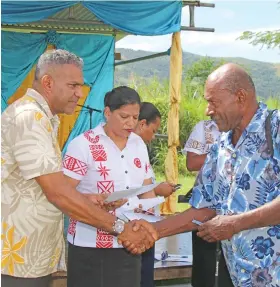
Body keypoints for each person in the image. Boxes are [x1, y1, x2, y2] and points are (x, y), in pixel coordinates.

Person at [1, 50, 156, 287]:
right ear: (48, 83)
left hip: (30, 254)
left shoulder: (44, 119)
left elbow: (44, 186)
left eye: (81, 86)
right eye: (73, 85)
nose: (79, 93)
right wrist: (119, 228)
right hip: (16, 257)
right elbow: (58, 193)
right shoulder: (29, 118)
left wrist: (84, 197)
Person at [123, 63, 280, 287]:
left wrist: (235, 224)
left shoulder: (274, 128)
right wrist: (154, 231)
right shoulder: (221, 147)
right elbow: (205, 207)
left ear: (241, 97)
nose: (208, 110)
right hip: (236, 274)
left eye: (213, 102)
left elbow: (231, 221)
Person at [63, 87, 159, 287]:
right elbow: (63, 193)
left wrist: (150, 220)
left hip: (128, 240)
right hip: (89, 243)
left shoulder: (138, 144)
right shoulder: (83, 145)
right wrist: (93, 199)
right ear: (107, 113)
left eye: (135, 117)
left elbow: (146, 188)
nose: (131, 123)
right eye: (124, 116)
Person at [134, 102, 176, 287]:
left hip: (147, 224)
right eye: (153, 130)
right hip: (137, 224)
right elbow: (132, 190)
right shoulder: (132, 148)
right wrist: (158, 190)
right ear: (142, 123)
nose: (152, 137)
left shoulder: (139, 147)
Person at [182, 119, 224, 287]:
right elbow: (192, 163)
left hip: (236, 204)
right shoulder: (203, 128)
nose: (209, 109)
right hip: (207, 200)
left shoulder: (249, 128)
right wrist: (223, 153)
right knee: (204, 257)